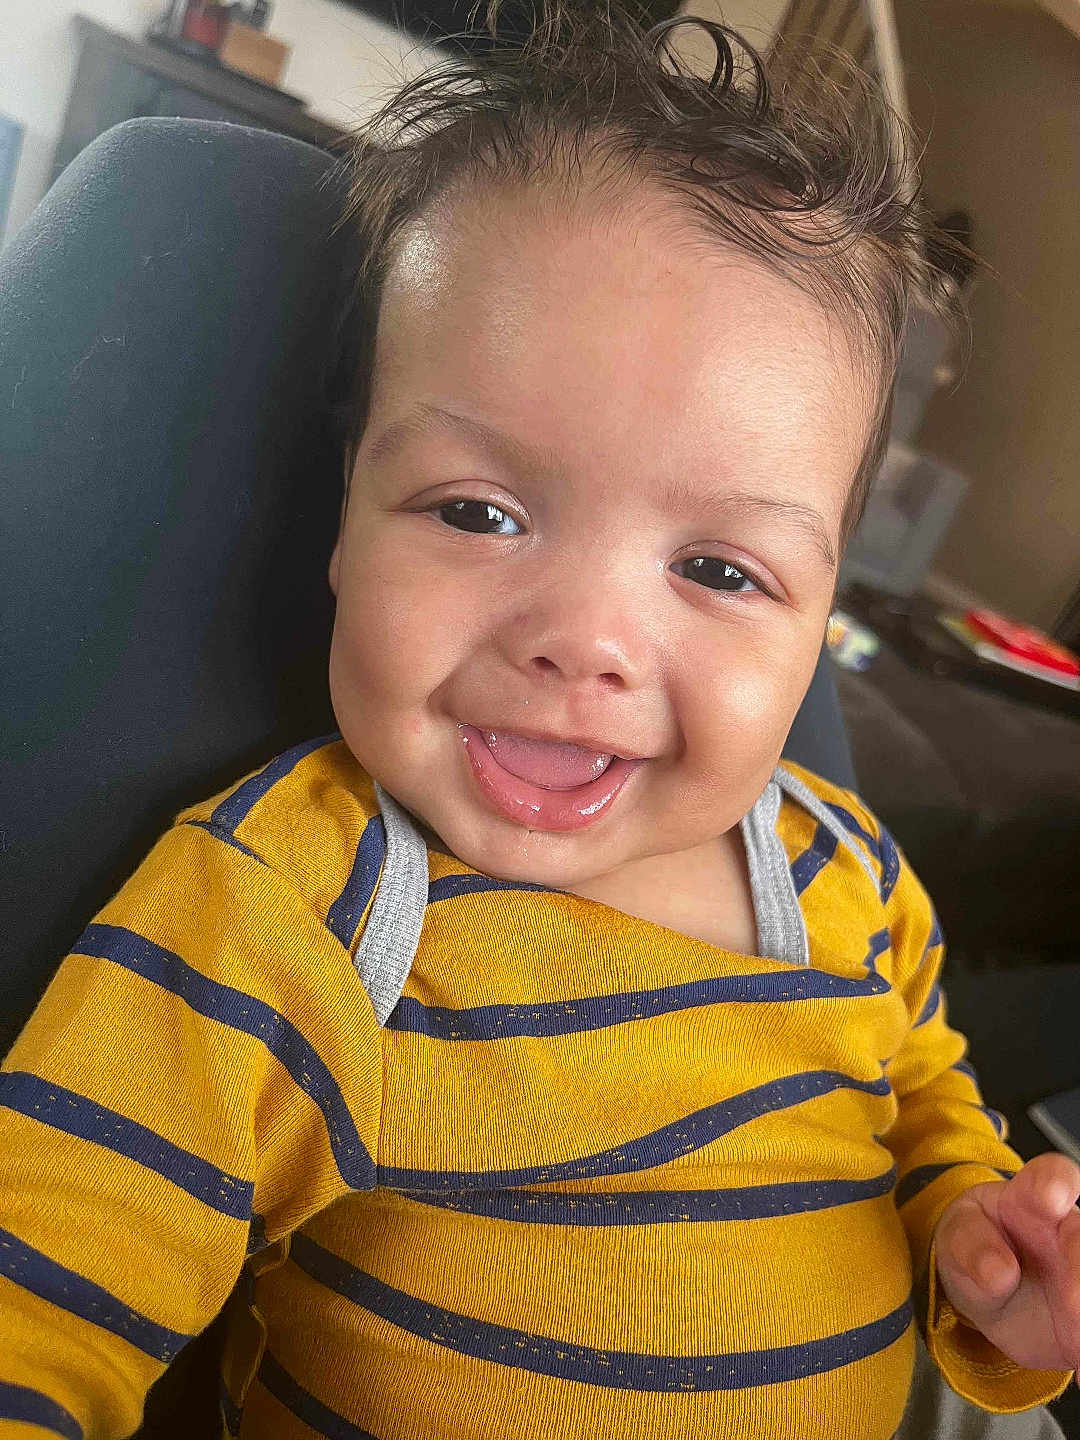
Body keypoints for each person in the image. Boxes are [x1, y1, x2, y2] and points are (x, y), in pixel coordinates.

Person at [1, 4, 1077, 1437]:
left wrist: (977, 1245)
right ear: (343, 525)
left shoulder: (849, 873)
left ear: (820, 615)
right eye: (477, 511)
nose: (583, 642)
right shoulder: (298, 917)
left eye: (717, 569)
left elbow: (921, 1085)